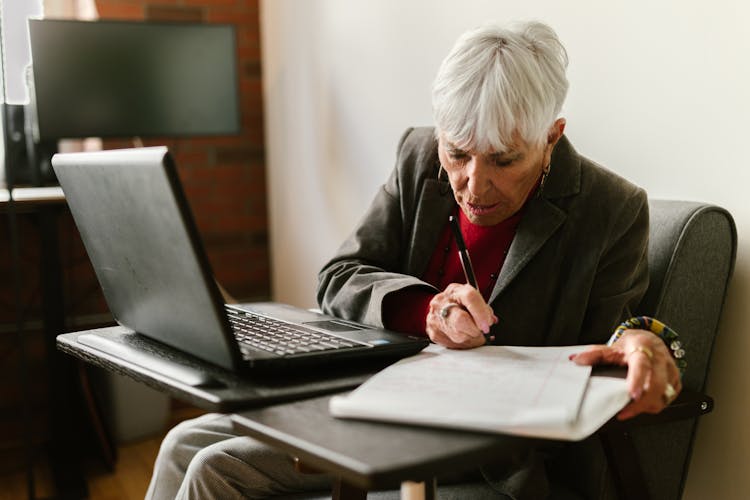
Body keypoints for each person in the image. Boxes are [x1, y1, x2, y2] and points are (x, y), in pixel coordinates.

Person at [146, 21, 683, 499]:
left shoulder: (611, 209)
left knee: (217, 468)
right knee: (180, 442)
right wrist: (425, 310)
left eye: (504, 159)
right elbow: (338, 278)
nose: (475, 185)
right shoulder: (418, 157)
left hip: (485, 444)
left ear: (551, 137)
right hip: (371, 400)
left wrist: (643, 341)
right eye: (458, 153)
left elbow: (615, 339)